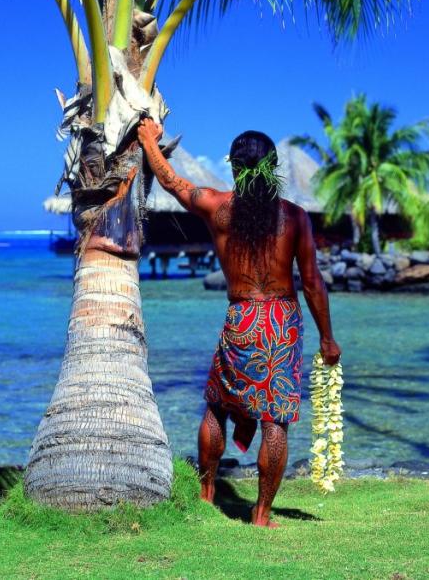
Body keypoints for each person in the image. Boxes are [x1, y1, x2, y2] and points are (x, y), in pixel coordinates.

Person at [137, 120, 341, 528]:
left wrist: (147, 142)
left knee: (217, 406)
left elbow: (174, 183)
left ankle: (207, 492)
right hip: (281, 321)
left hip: (241, 317)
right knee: (275, 419)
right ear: (273, 168)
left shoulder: (217, 206)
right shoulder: (296, 218)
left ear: (233, 168)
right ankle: (261, 514)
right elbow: (313, 283)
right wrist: (328, 338)